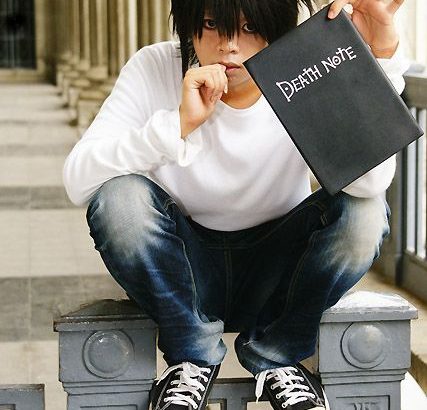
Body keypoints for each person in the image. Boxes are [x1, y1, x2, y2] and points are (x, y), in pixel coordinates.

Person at [63, 0, 408, 409]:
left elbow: (370, 185)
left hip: (280, 269)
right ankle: (192, 356)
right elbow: (78, 179)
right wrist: (177, 126)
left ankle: (277, 354)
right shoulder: (155, 67)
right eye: (213, 24)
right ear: (189, 24)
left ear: (278, 26)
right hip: (184, 271)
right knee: (119, 200)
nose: (229, 46)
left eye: (249, 28)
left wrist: (375, 64)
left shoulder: (305, 69)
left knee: (366, 214)